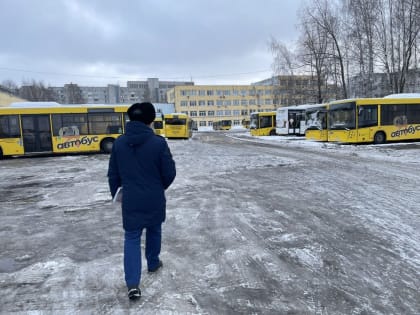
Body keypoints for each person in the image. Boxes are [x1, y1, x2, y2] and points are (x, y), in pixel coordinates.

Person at [107, 102, 176, 301]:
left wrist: (119, 194)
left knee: (132, 237)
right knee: (154, 229)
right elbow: (169, 172)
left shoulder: (119, 143)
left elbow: (113, 175)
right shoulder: (158, 142)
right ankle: (153, 263)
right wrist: (158, 187)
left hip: (131, 199)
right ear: (151, 120)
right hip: (154, 197)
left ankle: (133, 285)